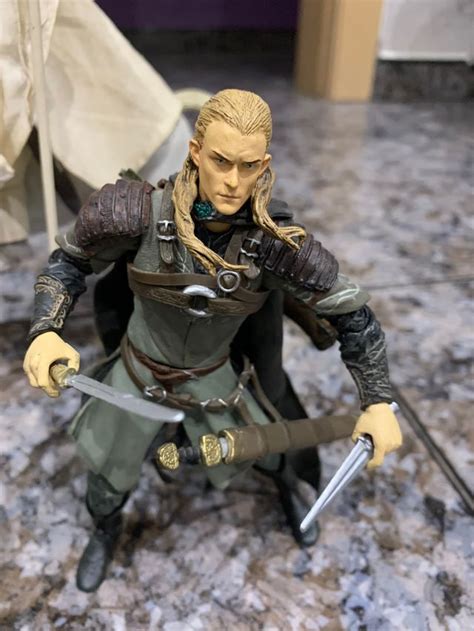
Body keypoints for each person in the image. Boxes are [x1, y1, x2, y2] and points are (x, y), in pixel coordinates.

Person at [23, 89, 402, 593]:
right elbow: (68, 263)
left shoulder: (275, 245)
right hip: (136, 373)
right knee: (108, 476)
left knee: (271, 452)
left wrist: (377, 402)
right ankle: (105, 528)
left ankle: (287, 490)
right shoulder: (134, 214)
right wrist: (46, 330)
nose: (232, 181)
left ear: (263, 164)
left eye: (248, 166)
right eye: (221, 161)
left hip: (215, 378)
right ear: (196, 151)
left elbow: (354, 315)